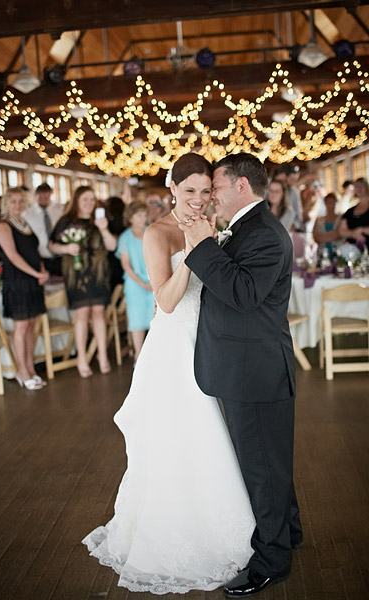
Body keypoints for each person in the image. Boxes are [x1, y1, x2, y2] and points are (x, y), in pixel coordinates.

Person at [82, 153, 255, 594]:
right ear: (172, 188)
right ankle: (176, 535)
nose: (198, 199)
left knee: (217, 433)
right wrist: (195, 252)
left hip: (211, 340)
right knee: (185, 433)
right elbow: (166, 301)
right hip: (174, 346)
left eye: (205, 191)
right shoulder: (157, 233)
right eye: (189, 190)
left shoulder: (213, 225)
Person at [180, 153, 302, 598]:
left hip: (256, 371)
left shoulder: (266, 235)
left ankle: (272, 561)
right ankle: (289, 533)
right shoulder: (247, 228)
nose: (210, 195)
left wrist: (202, 246)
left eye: (215, 186)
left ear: (241, 187)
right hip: (247, 366)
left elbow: (243, 294)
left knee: (262, 468)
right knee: (270, 463)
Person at [49, 186, 117, 377]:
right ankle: (82, 357)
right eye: (85, 199)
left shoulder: (100, 222)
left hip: (99, 273)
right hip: (76, 275)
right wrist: (66, 249)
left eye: (92, 199)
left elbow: (112, 246)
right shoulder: (65, 221)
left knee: (98, 313)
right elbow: (51, 245)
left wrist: (104, 229)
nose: (89, 203)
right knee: (82, 315)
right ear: (77, 200)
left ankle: (102, 355)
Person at [0, 187, 48, 390]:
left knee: (31, 325)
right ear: (6, 204)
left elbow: (34, 252)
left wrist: (41, 270)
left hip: (33, 281)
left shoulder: (25, 223)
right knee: (21, 326)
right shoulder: (4, 226)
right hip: (17, 281)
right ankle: (22, 371)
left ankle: (30, 368)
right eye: (13, 201)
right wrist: (36, 274)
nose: (17, 205)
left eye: (20, 201)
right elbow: (13, 257)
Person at [115, 201, 154, 362]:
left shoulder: (150, 232)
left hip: (152, 280)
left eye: (145, 215)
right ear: (130, 217)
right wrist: (141, 283)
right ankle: (139, 356)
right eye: (139, 215)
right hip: (134, 282)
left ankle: (153, 354)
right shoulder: (125, 237)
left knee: (154, 319)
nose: (143, 219)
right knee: (137, 320)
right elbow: (126, 265)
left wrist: (153, 281)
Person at [23, 183, 63, 276]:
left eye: (46, 197)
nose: (44, 199)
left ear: (50, 194)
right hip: (40, 258)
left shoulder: (58, 212)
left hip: (59, 256)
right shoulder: (27, 215)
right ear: (36, 196)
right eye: (41, 197)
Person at [338, 177, 369, 251]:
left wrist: (362, 230)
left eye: (362, 185)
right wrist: (352, 233)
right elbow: (341, 230)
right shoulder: (350, 211)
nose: (359, 188)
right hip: (353, 251)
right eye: (357, 186)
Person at [313, 192, 342, 259]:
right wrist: (332, 235)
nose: (331, 205)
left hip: (337, 253)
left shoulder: (341, 219)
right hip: (322, 254)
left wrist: (323, 237)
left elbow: (339, 235)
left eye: (333, 202)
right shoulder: (319, 220)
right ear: (325, 203)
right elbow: (316, 237)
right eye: (329, 202)